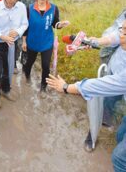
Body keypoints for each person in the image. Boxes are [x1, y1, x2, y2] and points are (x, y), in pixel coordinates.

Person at [46, 20, 126, 172]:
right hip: (114, 73)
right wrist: (93, 41)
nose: (120, 32)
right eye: (122, 28)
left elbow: (99, 85)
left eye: (123, 31)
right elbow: (115, 36)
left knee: (119, 158)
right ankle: (97, 130)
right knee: (120, 131)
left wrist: (66, 87)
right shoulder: (123, 30)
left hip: (118, 81)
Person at [22, 0, 70, 96]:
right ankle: (27, 76)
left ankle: (43, 87)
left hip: (46, 43)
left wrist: (61, 24)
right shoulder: (29, 8)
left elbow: (55, 24)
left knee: (45, 66)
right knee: (29, 62)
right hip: (32, 42)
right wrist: (24, 41)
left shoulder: (53, 9)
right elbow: (25, 26)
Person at [0, 0, 28, 108]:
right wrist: (2, 36)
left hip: (11, 45)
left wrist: (18, 32)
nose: (14, 0)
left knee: (8, 69)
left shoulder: (21, 7)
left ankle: (6, 90)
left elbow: (25, 23)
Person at [16, 0, 41, 73]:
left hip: (35, 18)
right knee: (20, 43)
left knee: (32, 43)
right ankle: (18, 60)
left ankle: (27, 63)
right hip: (21, 18)